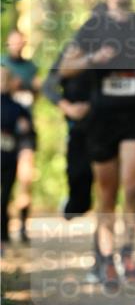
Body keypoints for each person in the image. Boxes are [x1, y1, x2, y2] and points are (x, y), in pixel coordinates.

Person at [59, 0, 135, 289]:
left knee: (131, 187)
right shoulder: (93, 27)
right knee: (107, 192)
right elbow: (65, 68)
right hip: (102, 118)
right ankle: (105, 256)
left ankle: (127, 250)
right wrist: (95, 58)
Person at [42, 41, 94, 220]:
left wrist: (91, 105)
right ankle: (76, 204)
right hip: (76, 126)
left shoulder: (105, 52)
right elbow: (48, 86)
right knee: (76, 170)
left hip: (101, 122)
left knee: (93, 170)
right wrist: (68, 108)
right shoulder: (70, 51)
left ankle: (88, 206)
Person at [3, 30, 39, 243]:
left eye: (20, 43)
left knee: (25, 177)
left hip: (24, 127)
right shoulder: (1, 62)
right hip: (4, 127)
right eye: (13, 43)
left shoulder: (31, 67)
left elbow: (37, 91)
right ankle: (4, 227)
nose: (17, 46)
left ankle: (24, 225)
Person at [1, 59, 33, 253]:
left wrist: (24, 127)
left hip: (9, 159)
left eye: (5, 79)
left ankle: (3, 238)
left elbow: (28, 132)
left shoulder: (18, 107)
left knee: (4, 198)